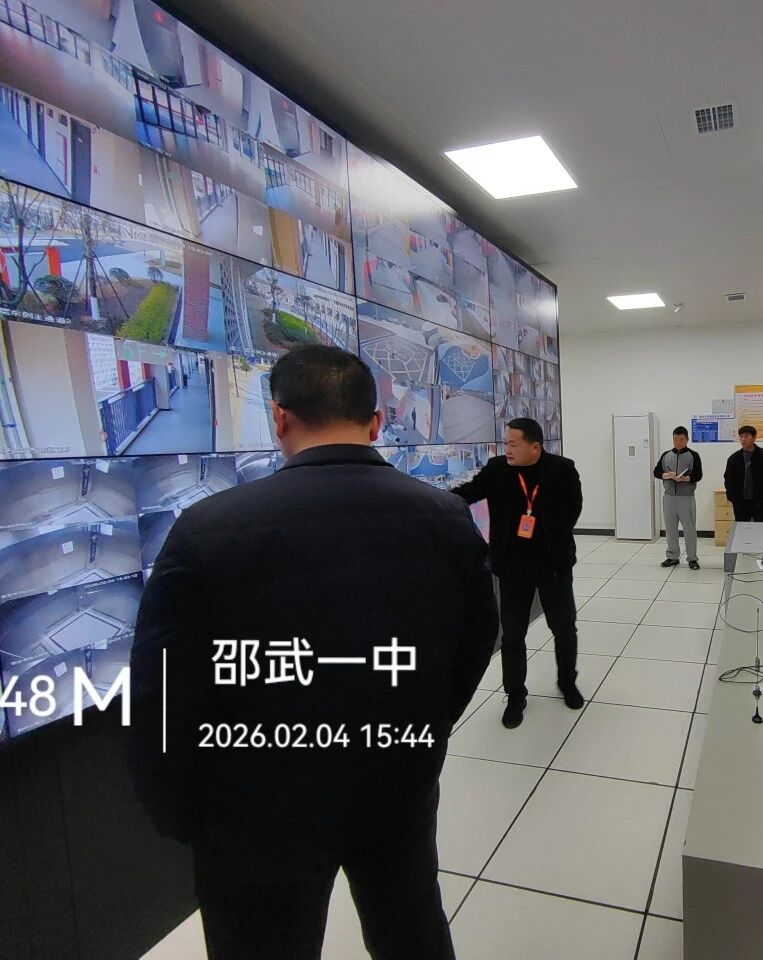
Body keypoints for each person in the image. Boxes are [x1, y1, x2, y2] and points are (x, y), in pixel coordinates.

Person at [129, 344, 497, 960]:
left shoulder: (206, 528)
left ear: (279, 417)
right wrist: (423, 728)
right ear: (375, 422)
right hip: (396, 781)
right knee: (410, 932)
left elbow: (163, 685)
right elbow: (476, 639)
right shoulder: (444, 515)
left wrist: (173, 807)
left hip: (257, 805)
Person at [454, 418, 584, 729]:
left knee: (564, 629)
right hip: (513, 567)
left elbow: (573, 510)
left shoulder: (562, 470)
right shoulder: (497, 470)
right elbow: (467, 493)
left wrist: (550, 534)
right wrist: (429, 500)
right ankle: (515, 696)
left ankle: (567, 682)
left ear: (534, 447)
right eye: (506, 444)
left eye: (513, 444)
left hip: (553, 566)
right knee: (512, 636)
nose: (507, 449)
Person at [652, 426, 703, 569]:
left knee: (689, 529)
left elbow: (698, 475)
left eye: (681, 439)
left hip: (686, 498)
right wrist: (667, 475)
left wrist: (686, 478)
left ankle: (692, 558)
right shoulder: (666, 455)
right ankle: (672, 556)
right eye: (675, 439)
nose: (678, 442)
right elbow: (656, 472)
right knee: (670, 529)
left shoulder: (693, 455)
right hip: (669, 498)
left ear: (687, 440)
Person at [723, 425, 763, 522]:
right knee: (742, 528)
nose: (743, 439)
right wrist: (734, 499)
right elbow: (728, 480)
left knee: (761, 528)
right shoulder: (734, 458)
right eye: (741, 436)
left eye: (746, 436)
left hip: (761, 502)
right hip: (741, 502)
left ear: (754, 438)